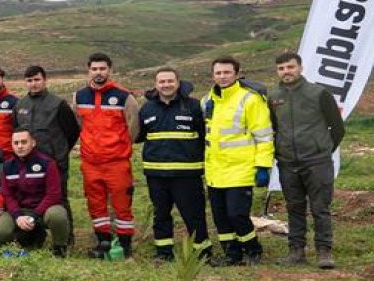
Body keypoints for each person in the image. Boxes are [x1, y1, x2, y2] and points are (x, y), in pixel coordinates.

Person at [270, 51, 346, 269]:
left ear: (300, 68)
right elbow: (274, 127)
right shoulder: (273, 97)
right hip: (287, 163)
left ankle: (324, 251)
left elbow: (337, 127)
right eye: (281, 68)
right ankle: (296, 252)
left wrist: (322, 150)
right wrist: (280, 151)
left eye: (290, 67)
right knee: (294, 207)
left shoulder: (319, 93)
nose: (286, 72)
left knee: (320, 207)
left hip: (317, 162)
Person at [202, 56, 274, 266]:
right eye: (218, 73)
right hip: (215, 171)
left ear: (236, 74)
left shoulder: (250, 99)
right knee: (220, 217)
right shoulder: (207, 100)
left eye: (227, 72)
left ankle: (253, 249)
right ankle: (231, 254)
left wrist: (263, 166)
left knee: (237, 215)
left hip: (240, 170)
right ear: (212, 75)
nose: (222, 76)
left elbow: (264, 136)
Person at [136, 68, 211, 262]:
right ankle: (164, 253)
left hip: (187, 174)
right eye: (162, 82)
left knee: (194, 216)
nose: (166, 85)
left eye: (170, 81)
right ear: (156, 84)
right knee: (161, 215)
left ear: (178, 82)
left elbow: (205, 136)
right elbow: (138, 136)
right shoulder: (147, 109)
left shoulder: (194, 106)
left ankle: (202, 254)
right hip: (156, 175)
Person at [75, 53, 140, 259]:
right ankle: (103, 242)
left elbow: (133, 127)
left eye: (102, 68)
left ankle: (124, 246)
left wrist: (119, 147)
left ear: (110, 69)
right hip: (90, 162)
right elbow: (79, 125)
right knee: (96, 204)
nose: (98, 72)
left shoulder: (124, 96)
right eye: (94, 69)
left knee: (122, 205)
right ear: (89, 70)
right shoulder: (79, 96)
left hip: (116, 162)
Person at [0, 130, 71, 257]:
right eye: (16, 143)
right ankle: (23, 239)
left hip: (44, 210)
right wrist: (17, 216)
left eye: (24, 142)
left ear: (33, 143)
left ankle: (59, 247)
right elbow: (8, 196)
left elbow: (53, 195)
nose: (20, 146)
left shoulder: (47, 163)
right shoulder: (6, 167)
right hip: (21, 211)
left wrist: (34, 215)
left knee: (58, 215)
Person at [15, 65, 80, 208]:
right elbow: (16, 132)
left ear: (44, 80)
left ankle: (63, 223)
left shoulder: (58, 104)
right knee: (31, 200)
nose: (33, 84)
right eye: (29, 80)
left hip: (55, 162)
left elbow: (72, 132)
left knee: (59, 199)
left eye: (37, 79)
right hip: (28, 162)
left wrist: (59, 152)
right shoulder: (20, 105)